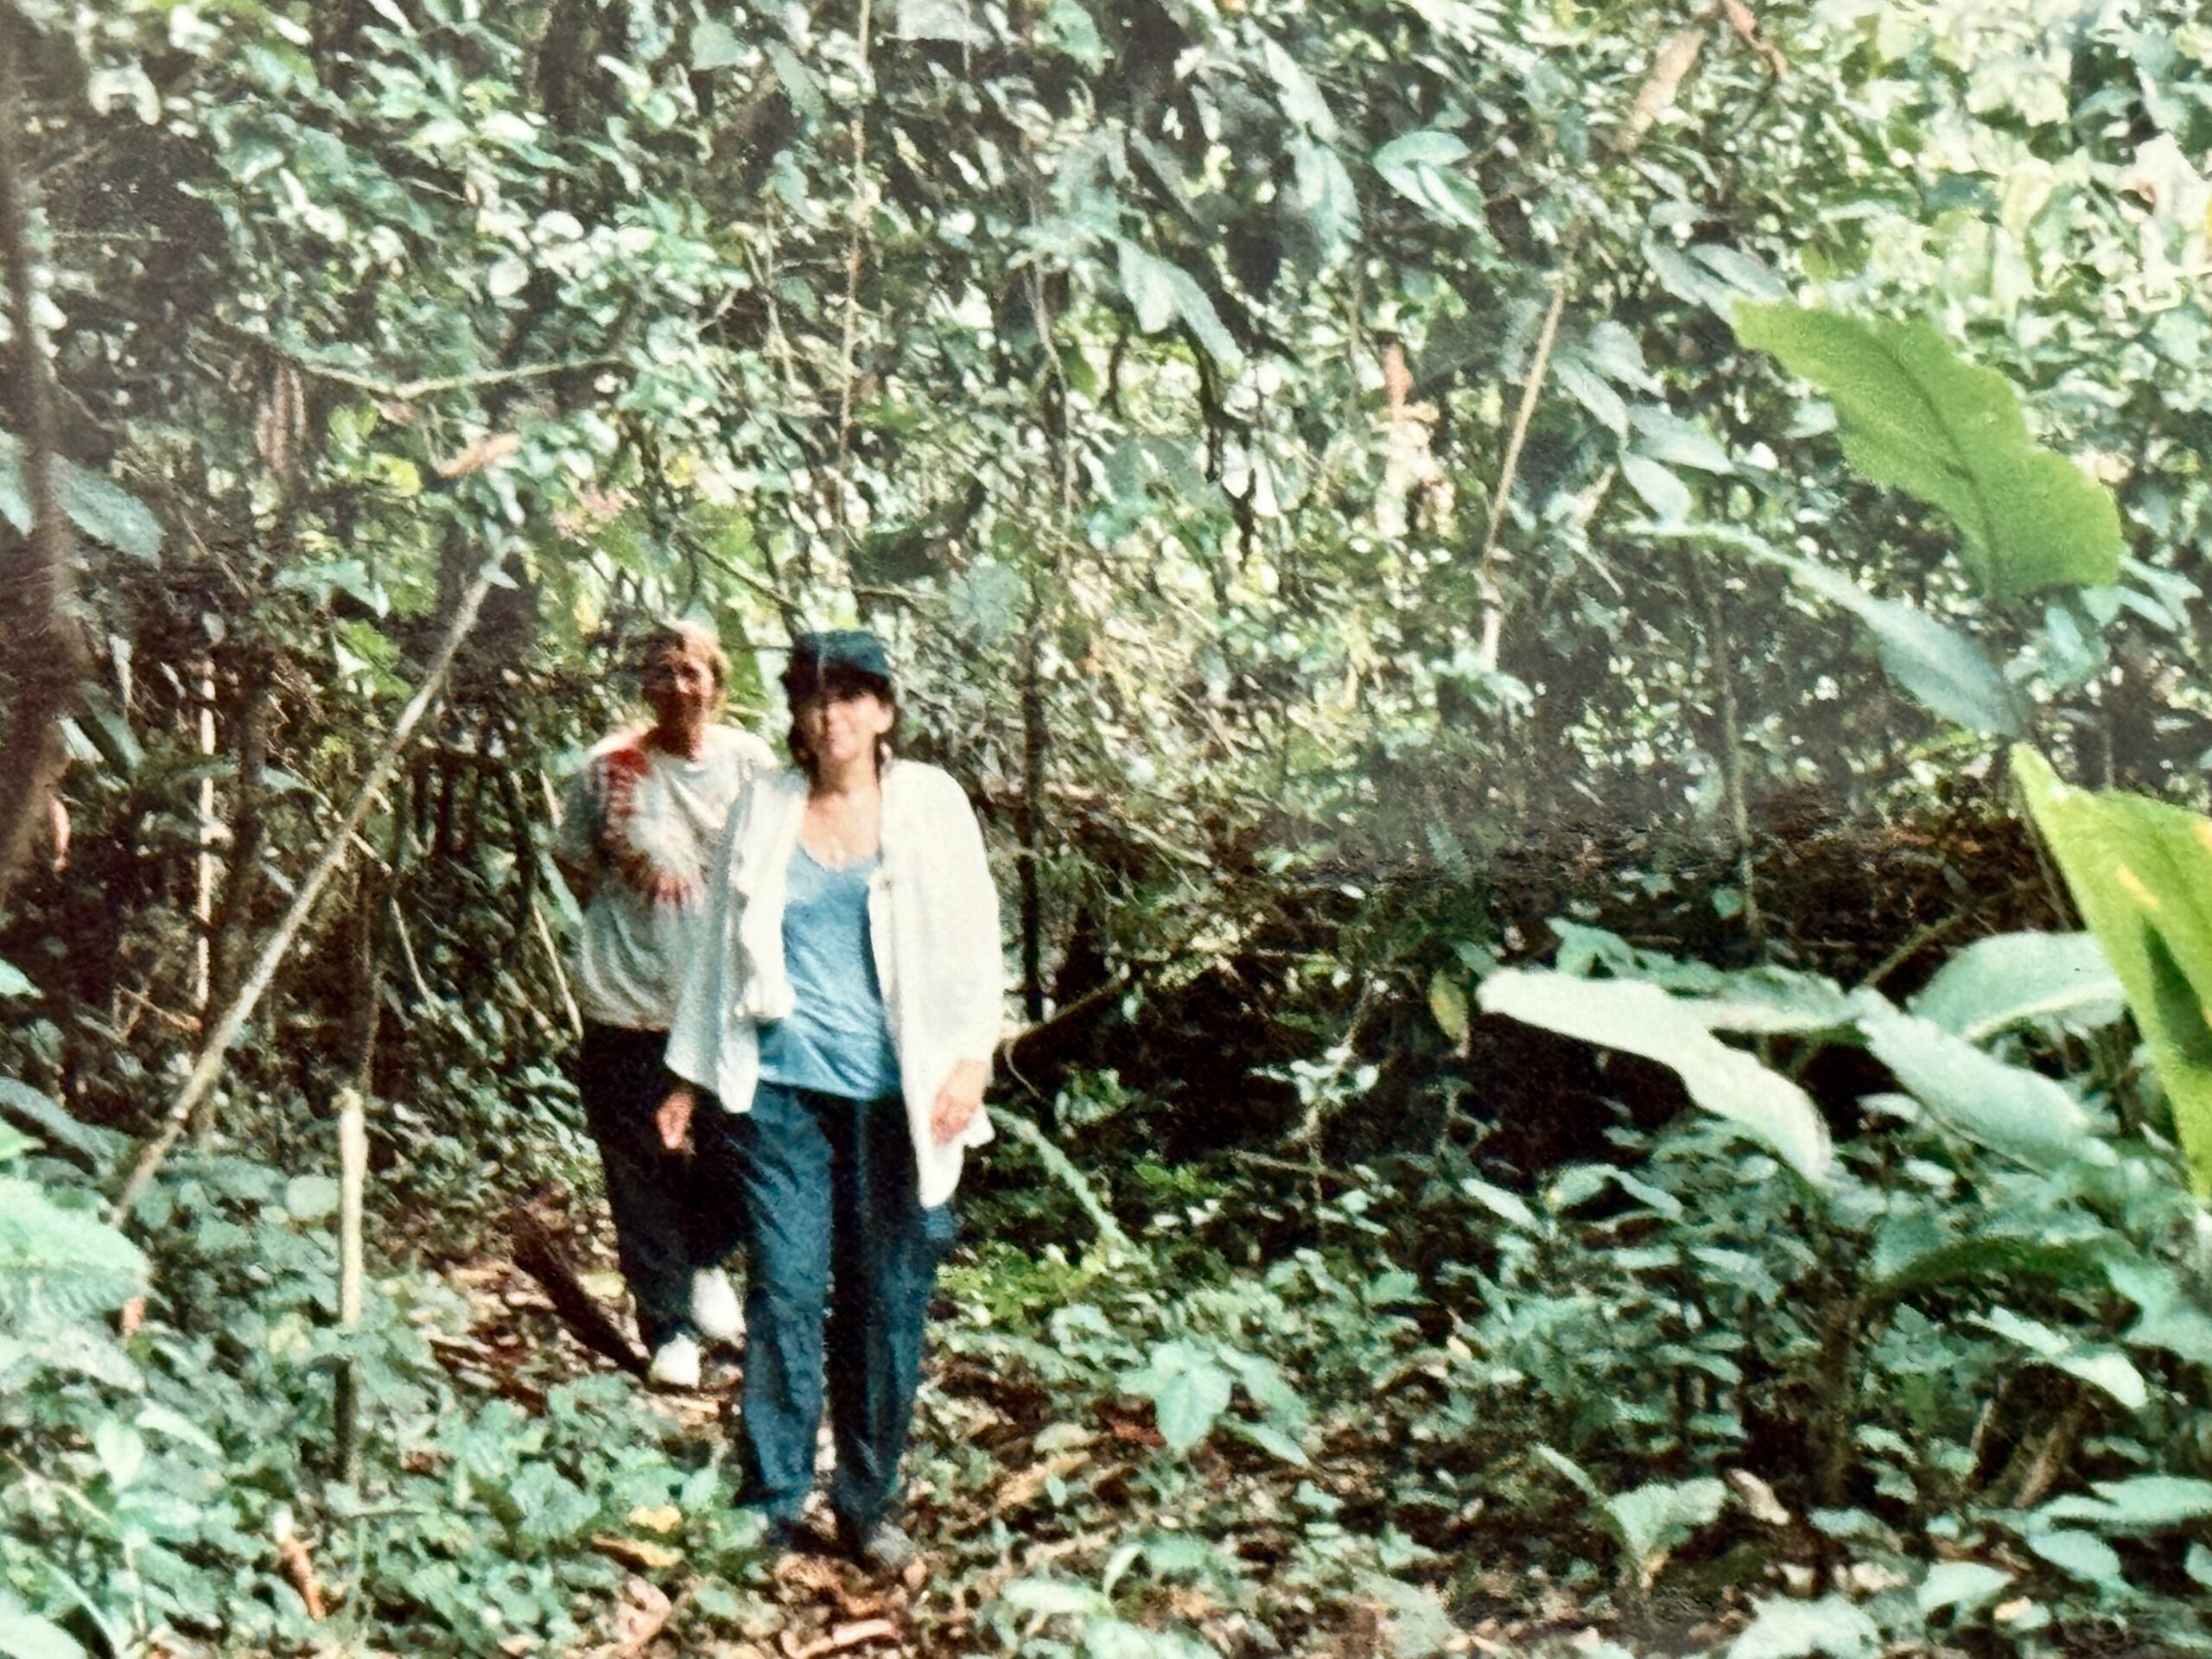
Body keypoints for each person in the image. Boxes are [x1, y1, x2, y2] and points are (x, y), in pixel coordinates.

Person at [661, 628, 1001, 1571]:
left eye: (851, 697)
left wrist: (972, 1060)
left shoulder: (930, 806)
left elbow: (978, 943)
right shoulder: (763, 805)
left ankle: (866, 1507)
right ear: (796, 716)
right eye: (814, 699)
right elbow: (713, 953)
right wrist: (688, 1079)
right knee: (784, 1292)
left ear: (884, 710)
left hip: (901, 1100)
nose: (831, 716)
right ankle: (770, 1502)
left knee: (885, 1303)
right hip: (781, 1092)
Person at [552, 620, 778, 1389]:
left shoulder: (753, 766)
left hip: (725, 1005)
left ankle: (709, 1261)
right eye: (662, 671)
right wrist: (649, 932)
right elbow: (580, 866)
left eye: (693, 671)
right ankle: (668, 1328)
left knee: (737, 1147)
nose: (679, 686)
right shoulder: (606, 770)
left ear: (719, 681)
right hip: (629, 999)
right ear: (642, 684)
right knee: (639, 1163)